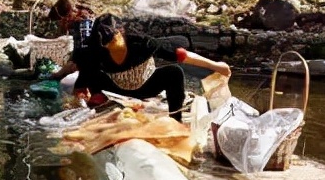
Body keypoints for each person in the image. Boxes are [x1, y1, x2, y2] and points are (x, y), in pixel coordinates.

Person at [72, 13, 231, 122]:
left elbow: (181, 55)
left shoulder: (142, 43)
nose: (110, 46)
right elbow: (82, 81)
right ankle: (100, 103)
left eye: (113, 40)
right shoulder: (96, 51)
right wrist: (81, 97)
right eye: (106, 44)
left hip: (146, 86)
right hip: (116, 90)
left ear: (121, 32)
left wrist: (216, 66)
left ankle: (176, 119)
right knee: (92, 72)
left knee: (174, 72)